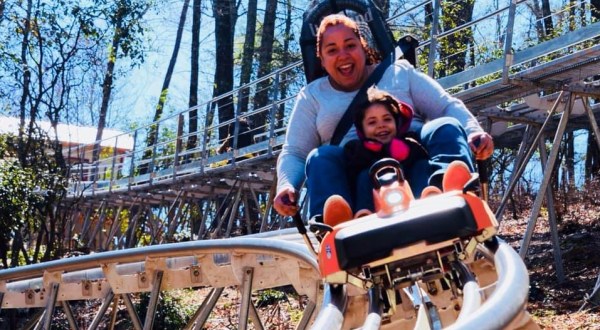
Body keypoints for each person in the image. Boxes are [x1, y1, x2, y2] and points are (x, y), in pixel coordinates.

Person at [273, 14, 494, 219]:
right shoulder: (312, 96)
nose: (343, 55)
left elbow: (446, 106)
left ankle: (448, 187)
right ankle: (334, 218)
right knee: (320, 157)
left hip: (412, 154)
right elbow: (296, 152)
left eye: (350, 45)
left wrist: (474, 132)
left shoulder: (398, 73)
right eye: (332, 50)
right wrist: (287, 185)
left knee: (446, 125)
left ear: (363, 47)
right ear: (321, 59)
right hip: (355, 171)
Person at [343, 85, 428, 215]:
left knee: (421, 166)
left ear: (396, 122)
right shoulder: (355, 148)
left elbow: (423, 156)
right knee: (364, 175)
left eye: (387, 119)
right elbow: (351, 171)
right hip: (376, 194)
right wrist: (372, 152)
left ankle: (427, 195)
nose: (381, 125)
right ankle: (363, 212)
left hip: (408, 189)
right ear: (362, 129)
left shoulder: (409, 140)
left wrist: (406, 152)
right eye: (372, 122)